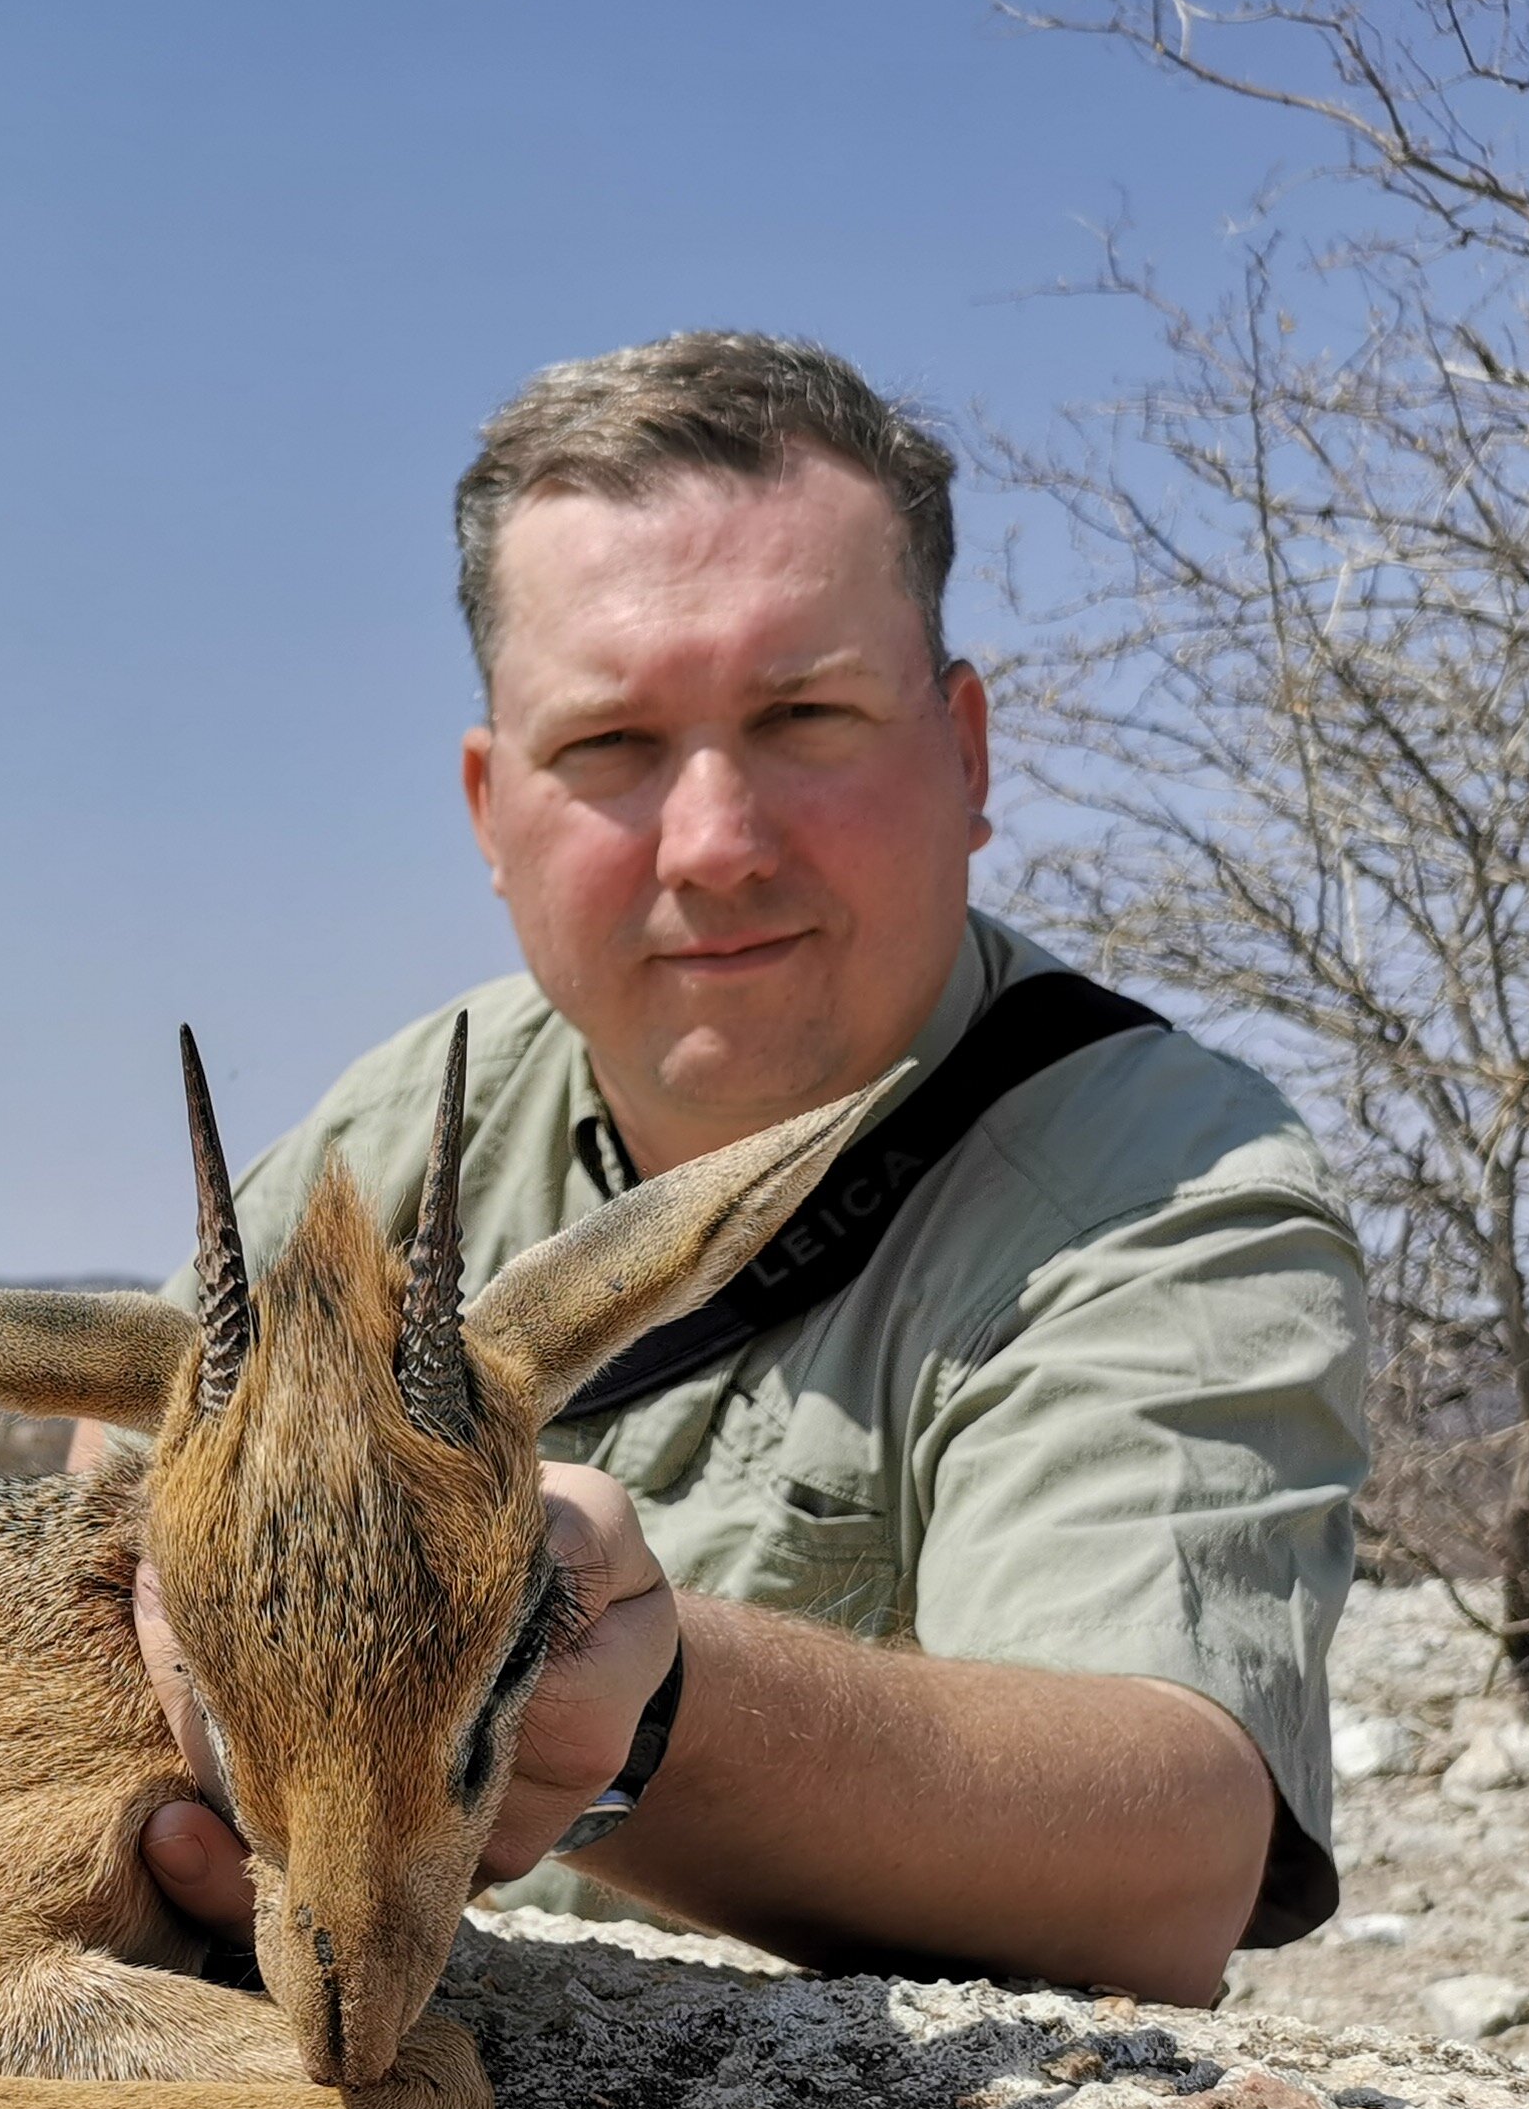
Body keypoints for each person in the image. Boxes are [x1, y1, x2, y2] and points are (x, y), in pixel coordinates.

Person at [83, 332, 1366, 2007]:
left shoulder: (1164, 1184)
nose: (712, 845)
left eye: (806, 716)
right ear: (490, 808)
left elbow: (1176, 1846)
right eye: (607, 747)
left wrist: (626, 1709)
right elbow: (112, 1483)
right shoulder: (401, 1125)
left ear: (967, 750)